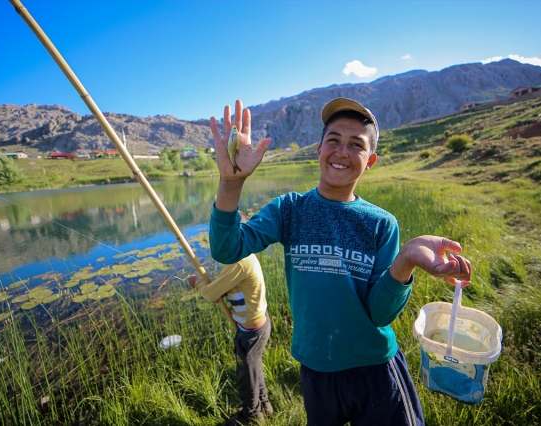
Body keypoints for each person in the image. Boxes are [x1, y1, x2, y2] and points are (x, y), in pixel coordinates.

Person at [207, 98, 472, 426]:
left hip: (374, 368)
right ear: (319, 150)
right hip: (316, 370)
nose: (342, 152)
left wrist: (405, 261)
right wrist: (231, 184)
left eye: (356, 145)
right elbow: (227, 248)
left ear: (370, 160)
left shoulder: (381, 223)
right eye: (333, 140)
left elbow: (380, 314)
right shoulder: (289, 210)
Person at [187, 248, 273, 425]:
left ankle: (252, 416)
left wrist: (197, 283)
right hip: (256, 326)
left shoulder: (239, 262)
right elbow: (235, 284)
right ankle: (265, 405)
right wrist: (222, 290)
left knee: (246, 376)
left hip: (251, 333)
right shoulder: (240, 256)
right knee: (254, 369)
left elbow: (210, 294)